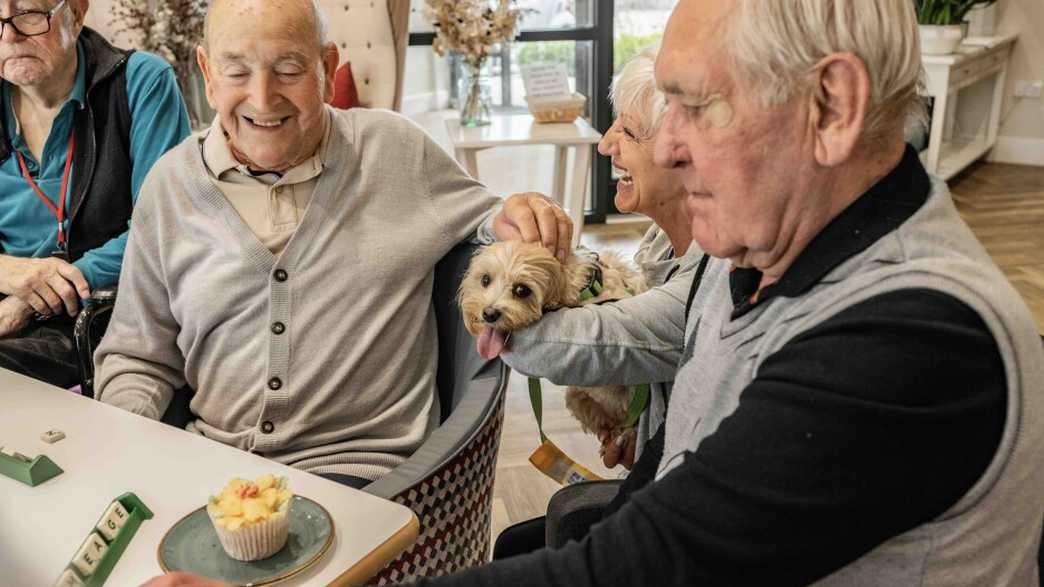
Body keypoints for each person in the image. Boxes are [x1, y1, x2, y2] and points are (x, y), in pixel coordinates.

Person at [140, 0, 1044, 585]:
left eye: (696, 107)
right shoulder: (760, 250)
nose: (661, 145)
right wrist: (510, 326)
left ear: (832, 108)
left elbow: (644, 566)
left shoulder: (913, 339)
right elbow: (657, 384)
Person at [95, 0, 570, 490]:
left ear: (325, 67)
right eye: (236, 71)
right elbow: (136, 355)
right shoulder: (169, 185)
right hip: (217, 475)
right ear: (207, 73)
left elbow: (492, 223)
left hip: (368, 476)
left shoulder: (394, 149)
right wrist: (131, 452)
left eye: (288, 69)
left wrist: (524, 214)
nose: (262, 98)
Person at [0, 0, 190, 388]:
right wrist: (8, 271)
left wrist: (37, 295)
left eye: (29, 13)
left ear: (77, 11)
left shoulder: (141, 83)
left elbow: (162, 230)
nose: (9, 35)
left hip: (99, 318)